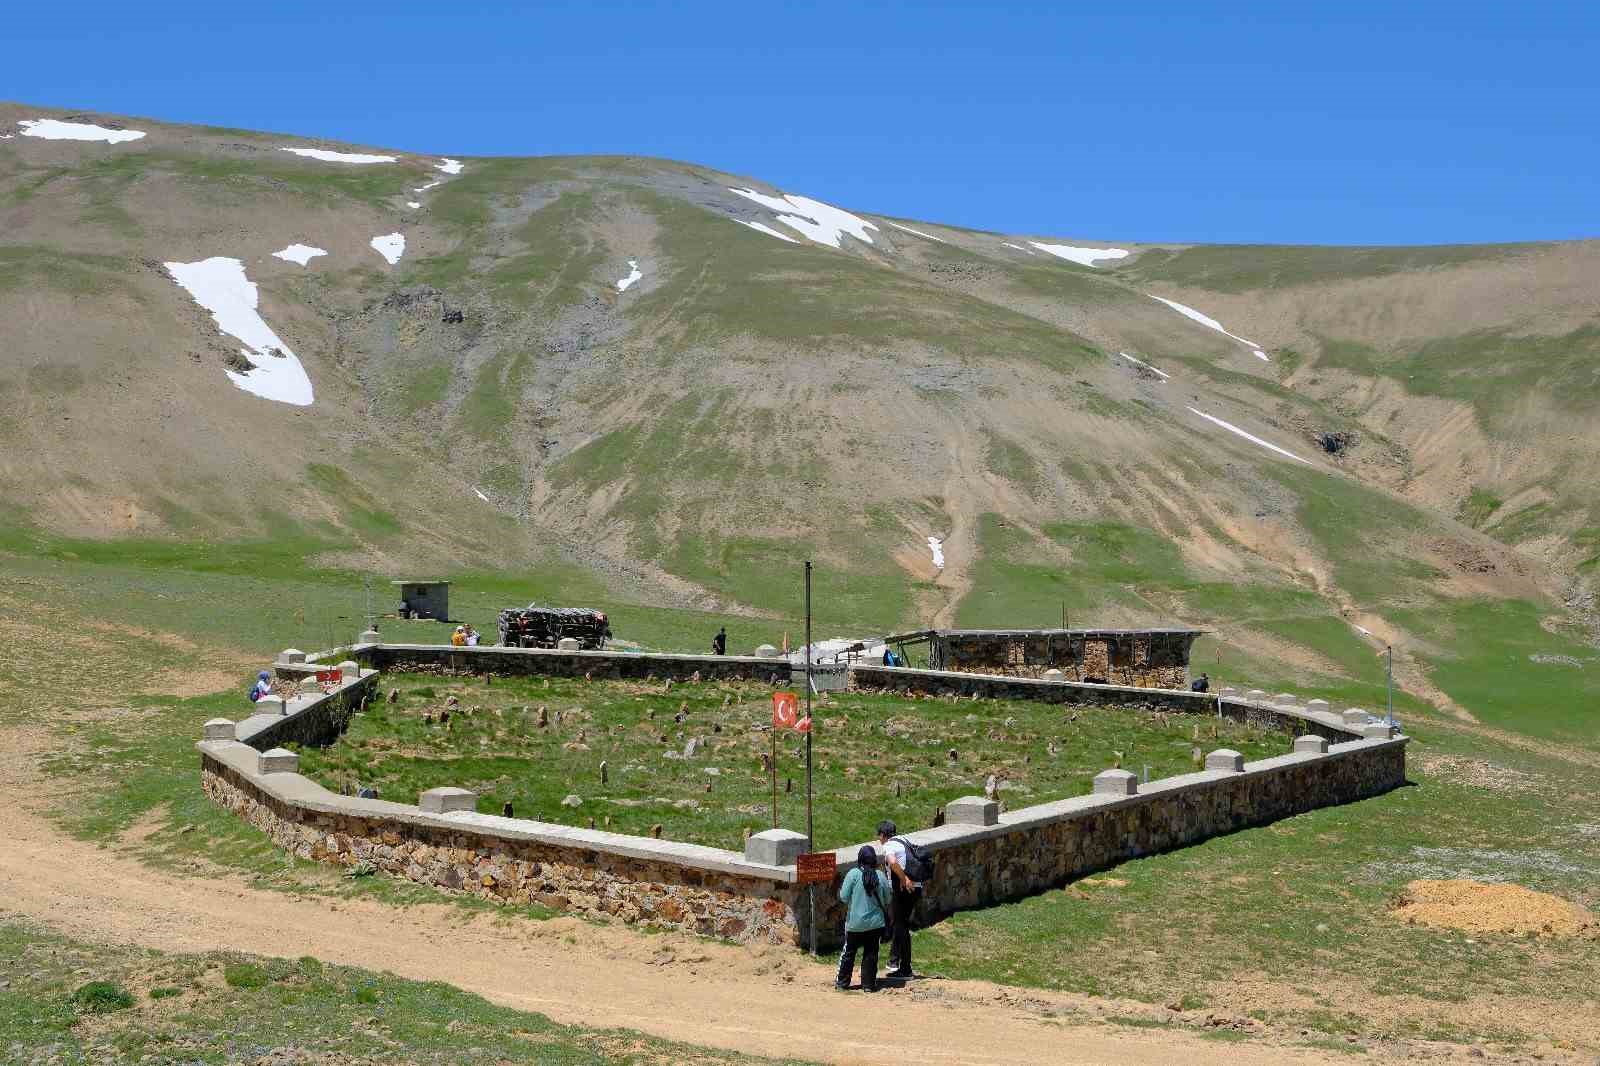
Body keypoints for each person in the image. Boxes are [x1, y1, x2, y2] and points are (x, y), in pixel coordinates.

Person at [835, 845, 892, 991]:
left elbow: (843, 897)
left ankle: (842, 983)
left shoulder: (853, 874)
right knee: (871, 953)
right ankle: (868, 985)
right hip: (875, 924)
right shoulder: (880, 876)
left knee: (849, 953)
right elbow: (887, 900)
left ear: (859, 858)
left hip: (855, 923)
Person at [876, 819, 921, 980]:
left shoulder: (888, 845)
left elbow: (893, 862)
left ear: (883, 834)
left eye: (879, 836)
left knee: (899, 925)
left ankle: (901, 965)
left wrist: (904, 879)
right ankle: (899, 964)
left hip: (903, 888)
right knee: (900, 924)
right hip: (917, 887)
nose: (879, 839)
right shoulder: (904, 840)